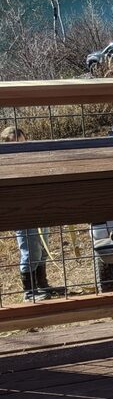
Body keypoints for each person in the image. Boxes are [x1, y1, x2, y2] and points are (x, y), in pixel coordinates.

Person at [1, 126, 53, 301]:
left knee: (42, 247)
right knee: (30, 252)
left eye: (22, 143)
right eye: (15, 144)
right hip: (22, 213)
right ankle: (29, 291)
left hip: (40, 209)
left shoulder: (33, 160)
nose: (20, 148)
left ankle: (42, 285)